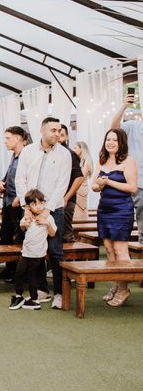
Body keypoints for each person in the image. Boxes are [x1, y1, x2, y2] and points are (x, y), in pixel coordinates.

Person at [15, 117, 71, 310]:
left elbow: (62, 184)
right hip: (30, 210)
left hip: (53, 209)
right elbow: (20, 180)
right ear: (42, 130)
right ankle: (41, 289)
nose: (57, 133)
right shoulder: (28, 151)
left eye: (59, 130)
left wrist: (46, 211)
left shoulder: (65, 154)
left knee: (55, 252)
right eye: (53, 130)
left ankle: (59, 293)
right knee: (33, 250)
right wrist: (27, 208)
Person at [91, 128, 137, 307]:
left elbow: (132, 187)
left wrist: (108, 181)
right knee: (109, 249)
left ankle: (124, 288)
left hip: (121, 210)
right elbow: (94, 184)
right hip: (104, 209)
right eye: (108, 139)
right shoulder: (102, 160)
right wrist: (98, 185)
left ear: (121, 143)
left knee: (120, 250)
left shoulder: (128, 161)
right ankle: (117, 284)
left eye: (114, 140)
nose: (110, 143)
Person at [9, 189, 57, 311]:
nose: (39, 207)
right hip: (26, 252)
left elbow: (52, 234)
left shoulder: (48, 218)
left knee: (32, 277)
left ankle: (34, 299)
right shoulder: (27, 217)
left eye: (41, 203)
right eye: (35, 204)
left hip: (38, 254)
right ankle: (19, 296)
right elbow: (22, 228)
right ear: (29, 206)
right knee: (19, 272)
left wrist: (46, 223)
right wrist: (24, 225)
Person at [0, 126, 28, 283]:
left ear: (17, 138)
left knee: (19, 238)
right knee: (5, 236)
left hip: (19, 204)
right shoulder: (14, 156)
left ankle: (19, 272)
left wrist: (20, 197)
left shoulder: (27, 155)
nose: (5, 141)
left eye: (8, 138)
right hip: (8, 202)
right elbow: (10, 175)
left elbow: (30, 180)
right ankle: (10, 269)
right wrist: (2, 183)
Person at [111, 92, 143, 244]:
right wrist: (124, 106)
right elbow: (114, 128)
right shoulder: (133, 126)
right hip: (137, 182)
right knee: (135, 216)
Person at [58, 124, 84, 242]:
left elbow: (79, 178)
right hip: (51, 200)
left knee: (65, 234)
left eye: (62, 135)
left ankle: (68, 259)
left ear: (67, 137)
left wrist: (66, 198)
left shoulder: (70, 154)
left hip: (66, 201)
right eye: (56, 133)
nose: (58, 137)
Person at [72, 141, 94, 221]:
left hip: (81, 189)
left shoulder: (86, 162)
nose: (73, 150)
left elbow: (81, 176)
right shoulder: (79, 161)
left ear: (81, 149)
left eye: (75, 148)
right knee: (74, 212)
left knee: (80, 213)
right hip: (76, 187)